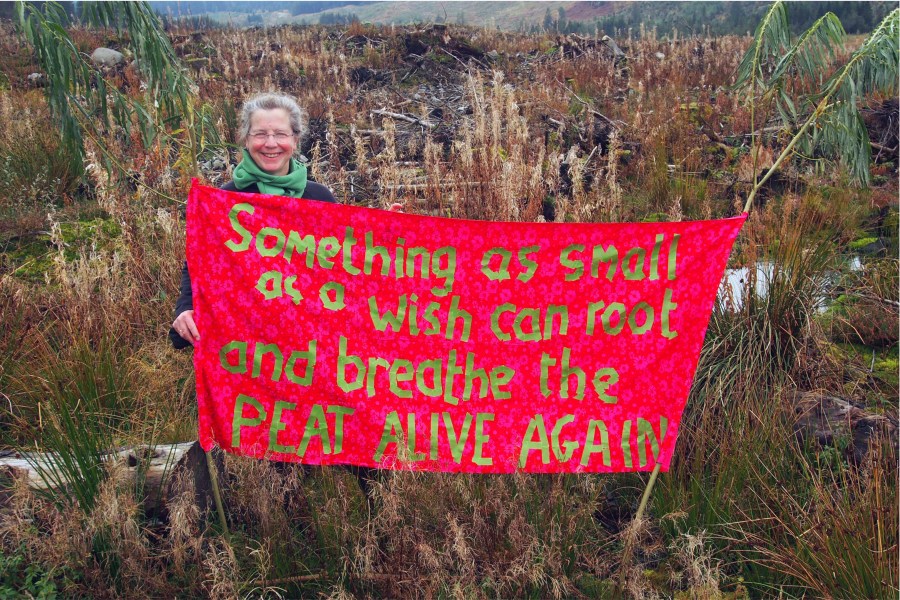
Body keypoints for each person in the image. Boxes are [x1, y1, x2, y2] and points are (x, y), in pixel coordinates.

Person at [171, 92, 337, 348]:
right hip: (244, 339)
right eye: (260, 134)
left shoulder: (319, 198)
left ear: (295, 139)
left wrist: (390, 236)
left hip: (307, 339)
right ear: (246, 140)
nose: (271, 143)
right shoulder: (224, 200)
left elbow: (345, 263)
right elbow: (197, 262)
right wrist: (185, 308)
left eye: (281, 134)